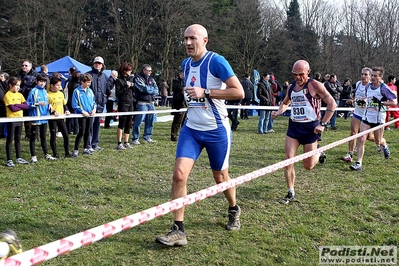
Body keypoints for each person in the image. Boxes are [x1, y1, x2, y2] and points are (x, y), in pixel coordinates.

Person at [155, 24, 244, 246]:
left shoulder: (216, 61)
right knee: (178, 174)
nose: (187, 42)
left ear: (205, 40)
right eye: (185, 38)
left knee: (221, 178)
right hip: (192, 130)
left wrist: (207, 92)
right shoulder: (185, 64)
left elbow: (239, 92)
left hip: (216, 131)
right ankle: (178, 229)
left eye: (192, 38)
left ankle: (233, 208)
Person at [271, 60, 337, 204]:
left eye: (301, 74)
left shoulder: (315, 85)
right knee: (288, 160)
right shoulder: (291, 87)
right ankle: (290, 192)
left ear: (308, 72)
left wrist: (323, 124)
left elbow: (332, 103)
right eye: (295, 74)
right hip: (294, 127)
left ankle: (318, 152)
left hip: (311, 128)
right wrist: (278, 112)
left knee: (308, 166)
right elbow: (285, 103)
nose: (298, 77)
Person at [349, 67, 397, 171]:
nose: (373, 78)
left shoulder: (383, 88)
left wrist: (381, 103)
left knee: (378, 141)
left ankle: (384, 145)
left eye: (376, 76)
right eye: (373, 75)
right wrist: (363, 102)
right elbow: (367, 98)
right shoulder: (368, 86)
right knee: (361, 138)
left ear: (381, 77)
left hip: (379, 118)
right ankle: (358, 163)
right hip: (367, 116)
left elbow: (394, 101)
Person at [341, 68, 376, 163]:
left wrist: (362, 101)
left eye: (366, 74)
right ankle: (350, 154)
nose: (363, 76)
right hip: (357, 113)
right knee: (353, 133)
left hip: (367, 114)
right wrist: (352, 100)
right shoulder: (358, 84)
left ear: (370, 76)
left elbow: (368, 100)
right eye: (362, 74)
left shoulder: (371, 87)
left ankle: (383, 143)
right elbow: (357, 97)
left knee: (369, 137)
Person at [26, 73, 56, 163]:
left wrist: (49, 106)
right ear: (36, 81)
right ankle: (33, 156)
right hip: (36, 117)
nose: (42, 83)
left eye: (44, 82)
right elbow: (27, 104)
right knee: (33, 137)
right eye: (40, 81)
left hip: (44, 117)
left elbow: (47, 103)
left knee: (43, 136)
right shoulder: (33, 91)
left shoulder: (45, 92)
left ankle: (46, 153)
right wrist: (37, 104)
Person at [3, 77, 29, 167]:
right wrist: (19, 106)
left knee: (18, 138)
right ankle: (9, 159)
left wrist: (17, 105)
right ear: (10, 85)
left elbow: (26, 106)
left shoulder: (20, 95)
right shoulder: (7, 95)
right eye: (16, 85)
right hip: (11, 119)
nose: (18, 87)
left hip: (19, 119)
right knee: (10, 139)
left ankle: (18, 157)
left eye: (19, 85)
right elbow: (12, 109)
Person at [132, 64, 158, 145]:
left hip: (151, 103)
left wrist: (150, 90)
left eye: (151, 70)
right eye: (149, 70)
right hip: (142, 103)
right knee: (138, 122)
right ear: (144, 70)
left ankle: (147, 137)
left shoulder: (152, 79)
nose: (150, 72)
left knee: (150, 121)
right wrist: (150, 90)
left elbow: (156, 90)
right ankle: (135, 138)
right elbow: (144, 89)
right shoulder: (138, 78)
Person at [71, 73, 96, 157]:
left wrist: (94, 109)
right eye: (87, 82)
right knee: (81, 131)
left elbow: (93, 102)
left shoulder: (90, 91)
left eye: (90, 82)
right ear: (82, 81)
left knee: (88, 131)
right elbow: (74, 104)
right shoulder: (77, 91)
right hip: (82, 115)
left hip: (90, 114)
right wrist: (82, 111)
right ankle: (75, 150)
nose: (89, 84)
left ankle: (86, 148)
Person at [86, 56, 108, 152]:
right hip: (90, 105)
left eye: (99, 63)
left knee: (97, 125)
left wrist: (105, 98)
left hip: (100, 105)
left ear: (102, 65)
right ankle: (88, 145)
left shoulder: (104, 77)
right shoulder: (88, 75)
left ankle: (95, 143)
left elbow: (107, 89)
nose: (97, 65)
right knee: (89, 126)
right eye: (96, 63)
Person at [48, 76, 71, 158]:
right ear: (52, 85)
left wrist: (66, 110)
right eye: (57, 85)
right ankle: (55, 154)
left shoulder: (61, 93)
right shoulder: (48, 95)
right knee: (53, 136)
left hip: (61, 118)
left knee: (66, 135)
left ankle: (67, 153)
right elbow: (47, 107)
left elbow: (64, 104)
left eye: (60, 85)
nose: (59, 87)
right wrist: (54, 112)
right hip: (52, 119)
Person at [114, 63, 135, 150]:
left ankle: (126, 142)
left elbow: (133, 91)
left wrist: (132, 86)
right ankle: (119, 143)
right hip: (123, 104)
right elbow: (118, 93)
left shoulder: (130, 79)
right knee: (121, 123)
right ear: (124, 71)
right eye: (129, 70)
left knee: (129, 123)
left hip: (130, 103)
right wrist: (126, 86)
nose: (130, 72)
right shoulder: (119, 81)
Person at [16, 60, 38, 140]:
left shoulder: (35, 74)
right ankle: (27, 134)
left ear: (30, 66)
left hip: (32, 97)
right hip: (23, 97)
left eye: (26, 65)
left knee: (33, 116)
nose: (24, 67)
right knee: (25, 116)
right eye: (23, 65)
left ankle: (35, 135)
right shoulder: (19, 74)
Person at [170, 70, 186, 141]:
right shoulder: (176, 81)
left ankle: (183, 135)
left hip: (185, 103)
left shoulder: (186, 81)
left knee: (185, 121)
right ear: (179, 74)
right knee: (177, 121)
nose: (183, 75)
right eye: (182, 74)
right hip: (179, 103)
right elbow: (178, 88)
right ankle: (174, 136)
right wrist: (183, 88)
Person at [66, 68, 80, 135]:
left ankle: (68, 130)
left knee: (68, 117)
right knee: (75, 117)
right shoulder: (78, 85)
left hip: (69, 100)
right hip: (74, 101)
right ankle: (75, 130)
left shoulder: (69, 83)